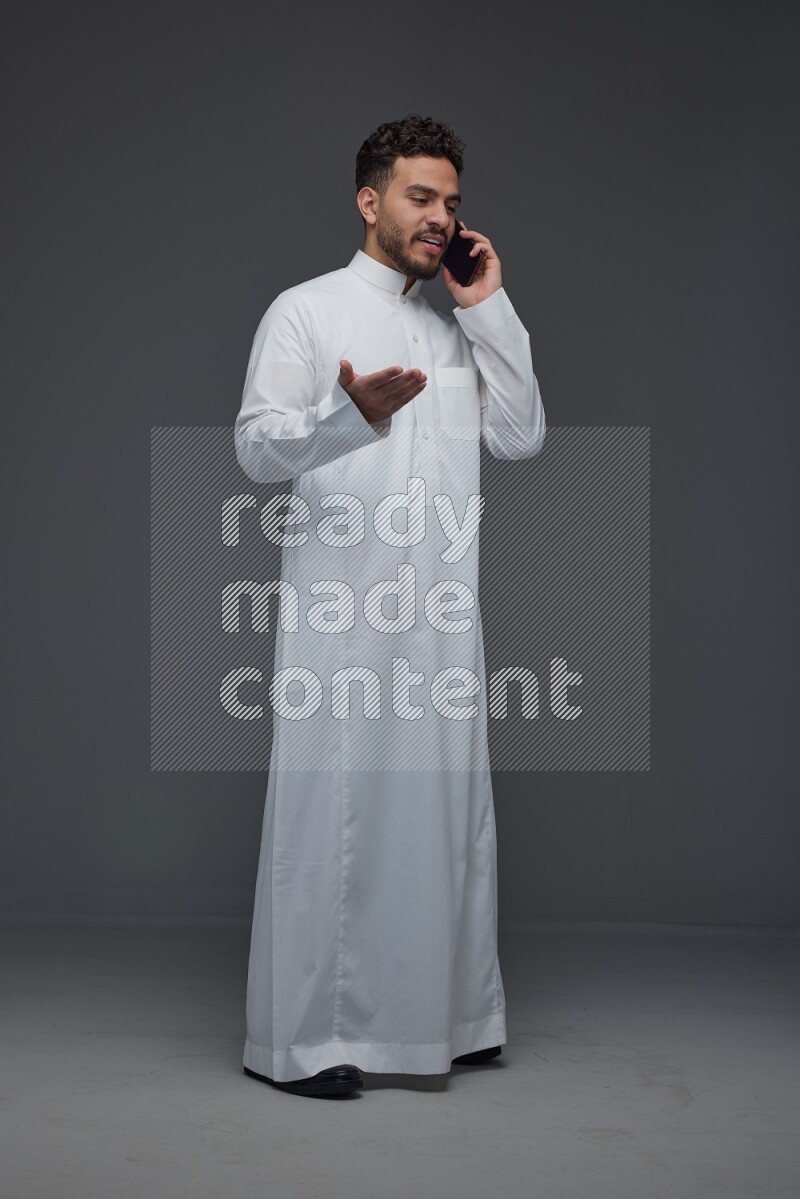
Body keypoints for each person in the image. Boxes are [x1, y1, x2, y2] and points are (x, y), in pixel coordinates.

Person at [234, 114, 546, 1099]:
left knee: (443, 814)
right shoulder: (306, 312)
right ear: (370, 200)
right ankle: (299, 1041)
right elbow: (253, 447)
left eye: (451, 201)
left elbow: (520, 436)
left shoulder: (453, 329)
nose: (439, 217)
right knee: (332, 815)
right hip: (340, 616)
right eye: (420, 196)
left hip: (439, 620)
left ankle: (448, 1021)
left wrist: (489, 308)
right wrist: (344, 417)